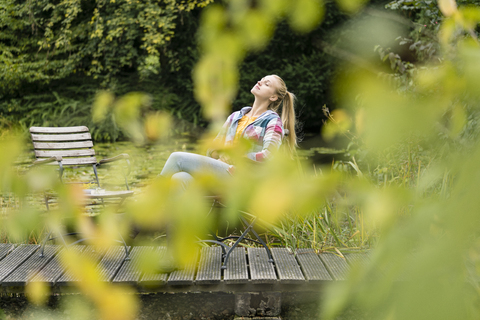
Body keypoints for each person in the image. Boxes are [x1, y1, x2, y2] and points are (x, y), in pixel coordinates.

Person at [159, 74, 297, 189]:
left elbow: (269, 155)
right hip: (222, 171)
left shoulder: (273, 121)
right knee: (180, 178)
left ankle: (149, 203)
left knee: (177, 158)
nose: (260, 82)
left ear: (273, 97)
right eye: (261, 79)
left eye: (267, 84)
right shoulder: (235, 116)